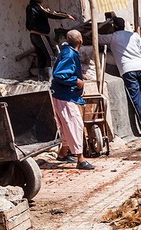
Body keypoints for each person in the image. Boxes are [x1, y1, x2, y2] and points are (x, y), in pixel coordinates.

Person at [97, 17, 141, 136]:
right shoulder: (134, 36)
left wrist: (96, 29)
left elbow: (97, 39)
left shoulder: (112, 37)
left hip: (127, 70)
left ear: (114, 27)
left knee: (137, 99)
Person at [50, 30, 94, 170]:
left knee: (65, 125)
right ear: (80, 41)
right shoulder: (69, 54)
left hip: (61, 95)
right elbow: (60, 74)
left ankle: (63, 153)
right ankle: (80, 159)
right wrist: (76, 81)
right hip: (65, 96)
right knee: (74, 124)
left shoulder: (66, 52)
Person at [26, 0, 76, 80]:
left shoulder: (30, 7)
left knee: (41, 56)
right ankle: (52, 78)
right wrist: (66, 15)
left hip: (33, 35)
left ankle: (41, 77)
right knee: (51, 56)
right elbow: (51, 14)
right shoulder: (37, 7)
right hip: (40, 34)